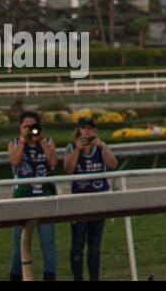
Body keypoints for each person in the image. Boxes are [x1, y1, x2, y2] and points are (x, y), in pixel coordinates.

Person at [64, 117, 118, 281]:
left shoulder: (100, 148)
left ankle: (94, 278)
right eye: (84, 128)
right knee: (78, 244)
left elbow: (113, 164)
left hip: (98, 201)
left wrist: (101, 146)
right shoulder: (72, 148)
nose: (87, 131)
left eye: (90, 128)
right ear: (79, 130)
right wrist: (77, 151)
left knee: (94, 246)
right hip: (80, 202)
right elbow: (68, 170)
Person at [7, 109, 58, 281]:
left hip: (44, 197)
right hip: (22, 198)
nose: (30, 130)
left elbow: (53, 163)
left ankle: (49, 277)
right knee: (18, 245)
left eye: (32, 126)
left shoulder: (47, 142)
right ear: (20, 127)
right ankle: (16, 277)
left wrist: (42, 141)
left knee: (48, 243)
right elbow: (14, 161)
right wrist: (22, 140)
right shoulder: (15, 143)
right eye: (25, 126)